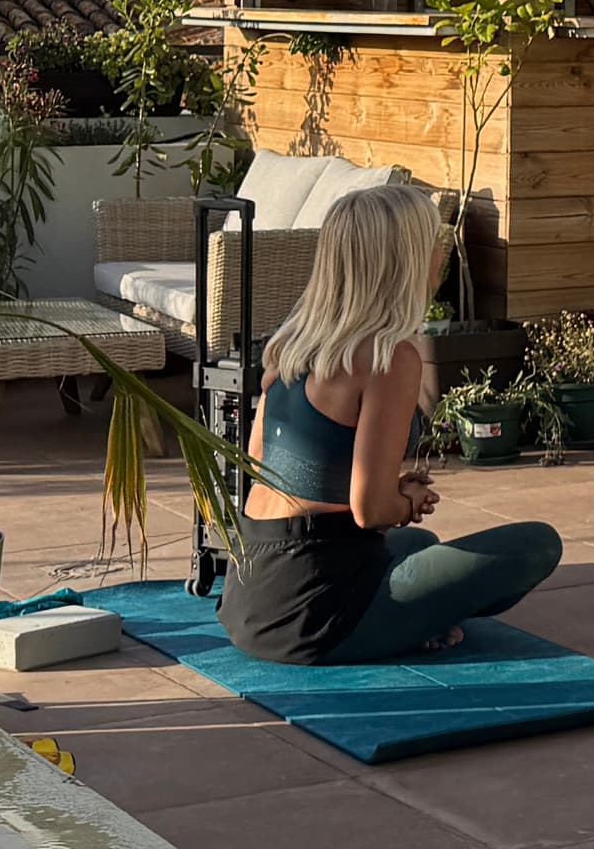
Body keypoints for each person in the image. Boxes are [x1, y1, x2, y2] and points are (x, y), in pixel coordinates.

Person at [220, 181, 561, 665]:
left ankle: (418, 619)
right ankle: (414, 624)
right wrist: (407, 500)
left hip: (253, 599)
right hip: (318, 617)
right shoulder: (390, 355)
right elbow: (370, 511)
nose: (440, 255)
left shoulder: (289, 346)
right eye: (432, 245)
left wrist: (391, 490)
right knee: (535, 545)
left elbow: (267, 475)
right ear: (405, 262)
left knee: (418, 545)